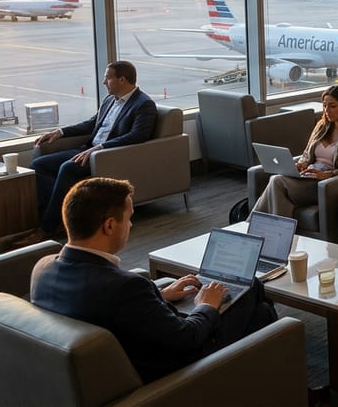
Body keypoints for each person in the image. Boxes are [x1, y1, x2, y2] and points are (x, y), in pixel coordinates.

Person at [30, 177, 278, 383]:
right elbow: (187, 339)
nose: (130, 225)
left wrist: (158, 295)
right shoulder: (125, 287)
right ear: (108, 226)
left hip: (116, 359)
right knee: (256, 298)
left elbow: (105, 307)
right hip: (171, 372)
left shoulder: (43, 269)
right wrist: (206, 305)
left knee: (258, 312)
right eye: (128, 218)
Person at [30, 60, 157, 239]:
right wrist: (60, 132)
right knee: (38, 165)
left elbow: (138, 136)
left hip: (107, 155)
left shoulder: (143, 104)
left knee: (67, 168)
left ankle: (47, 228)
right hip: (88, 149)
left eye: (108, 78)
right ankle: (62, 216)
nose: (104, 82)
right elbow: (92, 124)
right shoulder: (109, 100)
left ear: (122, 80)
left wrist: (101, 147)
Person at [253, 85, 338, 217]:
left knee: (277, 181)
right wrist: (302, 164)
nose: (326, 111)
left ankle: (251, 229)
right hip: (309, 176)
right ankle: (272, 232)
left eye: (332, 106)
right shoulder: (321, 126)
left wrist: (328, 174)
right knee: (277, 185)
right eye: (324, 106)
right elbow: (306, 154)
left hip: (326, 184)